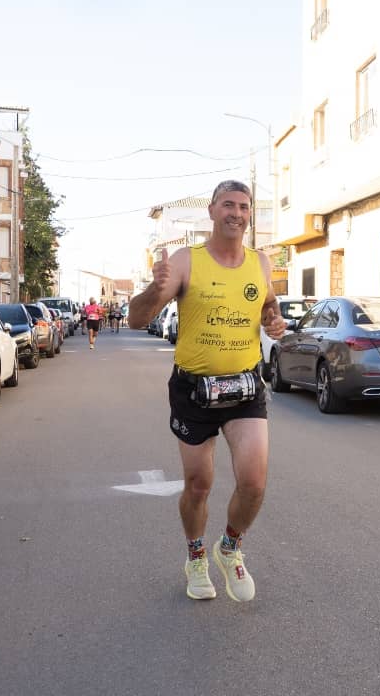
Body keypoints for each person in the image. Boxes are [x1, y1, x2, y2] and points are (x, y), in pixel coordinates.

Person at [129, 179, 287, 603]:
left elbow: (267, 302)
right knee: (199, 485)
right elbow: (136, 319)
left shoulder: (260, 262)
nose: (237, 213)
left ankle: (229, 548)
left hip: (244, 386)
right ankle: (196, 556)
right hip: (193, 389)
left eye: (244, 206)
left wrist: (273, 318)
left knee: (254, 483)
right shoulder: (186, 261)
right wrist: (155, 286)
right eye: (228, 205)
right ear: (213, 211)